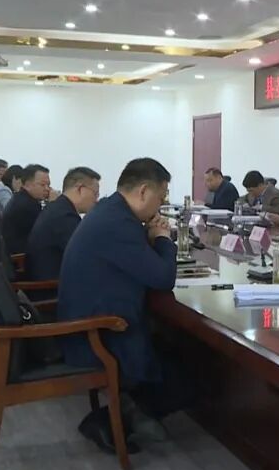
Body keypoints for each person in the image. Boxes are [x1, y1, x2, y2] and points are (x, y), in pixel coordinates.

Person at [57, 158, 188, 452]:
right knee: (193, 373)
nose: (162, 205)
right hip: (98, 336)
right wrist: (163, 239)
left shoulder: (110, 211)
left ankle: (127, 413)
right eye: (161, 197)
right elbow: (162, 278)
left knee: (176, 353)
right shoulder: (118, 224)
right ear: (143, 191)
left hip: (90, 324)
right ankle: (106, 421)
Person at [23, 167, 101, 299]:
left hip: (50, 285)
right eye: (95, 193)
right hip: (51, 294)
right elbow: (88, 257)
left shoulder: (58, 209)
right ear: (80, 189)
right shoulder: (64, 217)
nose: (96, 200)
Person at [1, 164, 51, 255]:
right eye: (43, 185)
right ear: (27, 184)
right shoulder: (26, 206)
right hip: (20, 258)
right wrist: (53, 204)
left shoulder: (22, 198)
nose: (47, 189)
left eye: (48, 185)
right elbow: (47, 231)